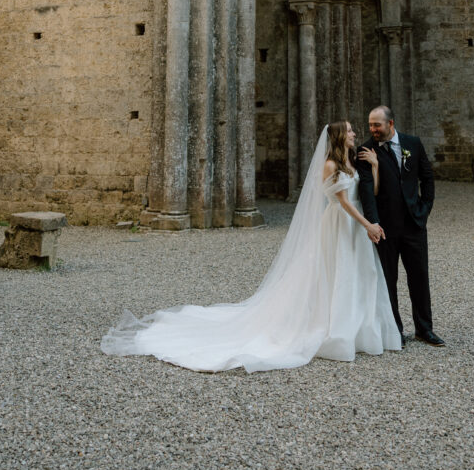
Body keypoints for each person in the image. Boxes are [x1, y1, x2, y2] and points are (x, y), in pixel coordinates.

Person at [101, 121, 401, 372]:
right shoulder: (330, 164)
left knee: (355, 275)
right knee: (335, 273)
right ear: (338, 137)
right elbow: (343, 203)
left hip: (354, 225)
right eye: (348, 130)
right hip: (340, 224)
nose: (354, 133)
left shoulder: (351, 162)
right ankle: (334, 331)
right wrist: (368, 225)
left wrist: (374, 169)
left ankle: (356, 329)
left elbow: (366, 194)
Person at [357, 105, 445, 348]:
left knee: (419, 277)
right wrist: (373, 222)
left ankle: (424, 329)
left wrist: (425, 210)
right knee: (389, 279)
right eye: (371, 125)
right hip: (386, 227)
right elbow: (366, 190)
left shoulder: (413, 144)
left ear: (391, 123)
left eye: (377, 125)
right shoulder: (365, 150)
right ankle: (395, 330)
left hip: (414, 223)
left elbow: (427, 178)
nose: (373, 129)